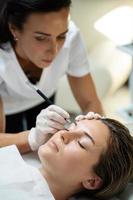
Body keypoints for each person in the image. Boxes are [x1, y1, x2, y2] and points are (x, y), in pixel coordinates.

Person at [0, 0, 103, 135]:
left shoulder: (72, 38)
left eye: (61, 36)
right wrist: (34, 138)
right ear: (14, 29)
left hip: (44, 99)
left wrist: (98, 133)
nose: (54, 51)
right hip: (8, 110)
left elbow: (90, 102)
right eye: (41, 38)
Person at [0, 113, 133, 200]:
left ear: (91, 181)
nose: (63, 134)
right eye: (71, 127)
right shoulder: (32, 153)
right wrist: (31, 138)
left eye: (81, 143)